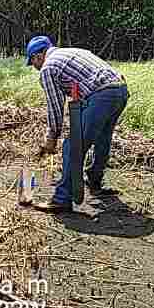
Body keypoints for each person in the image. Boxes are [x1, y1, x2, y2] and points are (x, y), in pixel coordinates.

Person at [25, 35, 129, 213]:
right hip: (120, 90)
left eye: (32, 62)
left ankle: (62, 199)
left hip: (102, 95)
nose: (34, 67)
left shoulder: (48, 68)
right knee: (102, 139)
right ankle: (95, 182)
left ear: (38, 56)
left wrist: (52, 136)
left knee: (72, 146)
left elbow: (55, 107)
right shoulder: (71, 52)